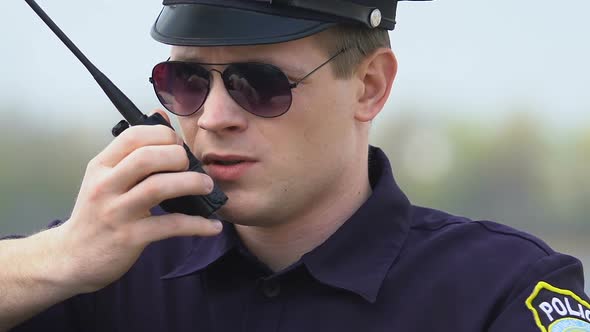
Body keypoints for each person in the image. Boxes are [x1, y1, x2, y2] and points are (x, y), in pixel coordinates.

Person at [1, 0, 589, 331]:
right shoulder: (108, 268)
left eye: (259, 83)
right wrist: (59, 259)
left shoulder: (501, 290)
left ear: (369, 86)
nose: (214, 117)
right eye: (185, 81)